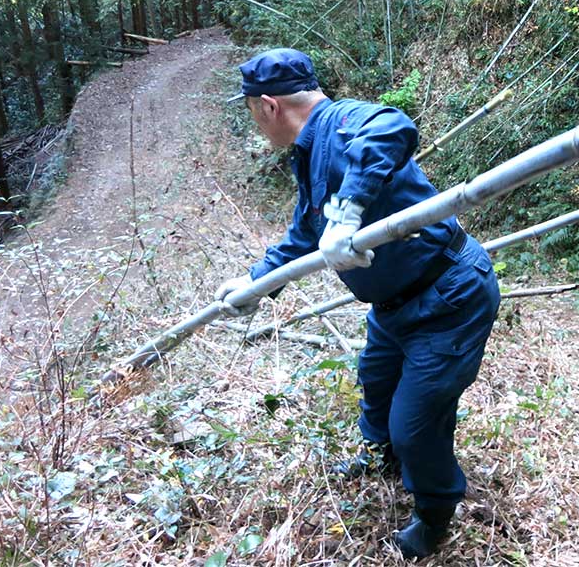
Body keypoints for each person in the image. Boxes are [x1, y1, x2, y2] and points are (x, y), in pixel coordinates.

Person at [214, 48, 500, 559]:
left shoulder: (346, 121)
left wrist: (348, 211)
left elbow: (394, 125)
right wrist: (254, 285)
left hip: (448, 295)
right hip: (393, 308)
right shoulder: (309, 153)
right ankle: (378, 455)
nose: (255, 124)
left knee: (414, 425)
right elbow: (305, 232)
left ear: (268, 106)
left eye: (251, 112)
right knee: (376, 384)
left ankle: (434, 512)